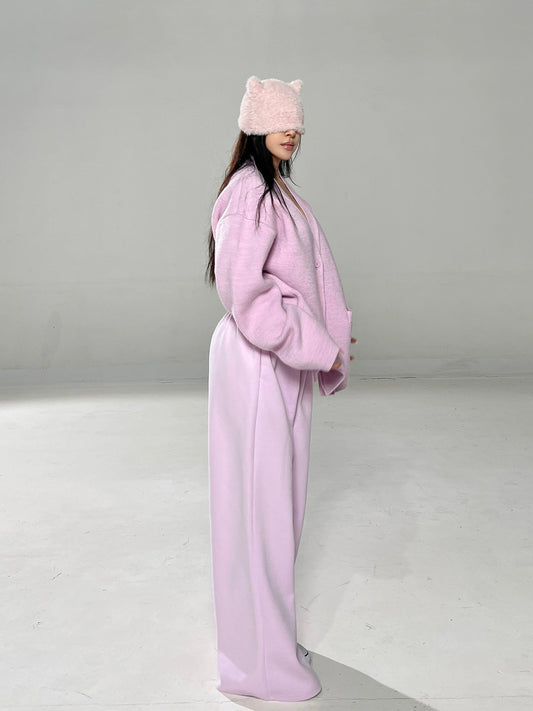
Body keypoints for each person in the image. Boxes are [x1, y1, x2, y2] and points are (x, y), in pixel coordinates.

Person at [204, 75, 356, 701]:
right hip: (259, 360)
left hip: (278, 361)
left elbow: (300, 280)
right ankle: (259, 667)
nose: (292, 129)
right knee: (260, 512)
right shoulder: (251, 193)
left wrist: (320, 341)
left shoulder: (276, 190)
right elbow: (246, 295)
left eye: (296, 119)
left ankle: (266, 645)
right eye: (278, 119)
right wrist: (315, 343)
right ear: (254, 124)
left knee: (275, 511)